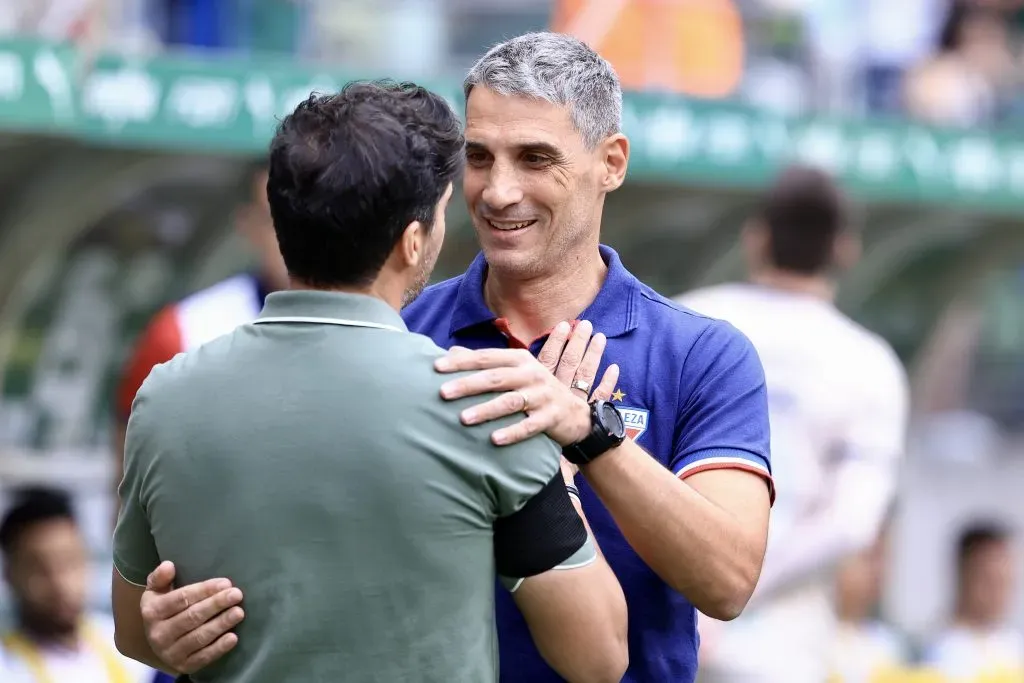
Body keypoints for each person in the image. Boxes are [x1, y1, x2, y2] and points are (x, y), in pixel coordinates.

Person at [131, 32, 773, 683]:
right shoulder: (398, 332)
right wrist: (164, 630)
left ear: (611, 162)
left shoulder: (701, 353)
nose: (497, 191)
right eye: (478, 156)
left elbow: (727, 583)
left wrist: (588, 434)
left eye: (534, 158)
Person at [110, 81, 628, 683]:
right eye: (439, 213)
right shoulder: (486, 409)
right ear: (413, 242)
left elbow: (134, 630)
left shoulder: (167, 397)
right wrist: (558, 469)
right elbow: (598, 657)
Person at [676, 165, 909, 683]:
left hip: (667, 622)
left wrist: (704, 584)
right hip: (782, 649)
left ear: (755, 238)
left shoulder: (690, 322)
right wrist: (744, 582)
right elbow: (853, 521)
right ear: (844, 249)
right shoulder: (869, 363)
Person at [113, 166, 287, 507]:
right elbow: (130, 476)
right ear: (248, 224)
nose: (293, 234)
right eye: (276, 218)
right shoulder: (186, 329)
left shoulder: (397, 324)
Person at [0, 487, 154, 683]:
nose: (60, 583)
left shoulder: (129, 648)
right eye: (39, 568)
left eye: (70, 561)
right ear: (9, 575)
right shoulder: (6, 669)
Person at [922, 522, 1023, 681]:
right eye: (991, 581)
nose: (1000, 594)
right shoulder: (941, 652)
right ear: (964, 576)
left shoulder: (1014, 644)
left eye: (1006, 582)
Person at [829, 515, 909, 683]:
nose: (878, 570)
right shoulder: (810, 638)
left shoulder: (889, 644)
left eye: (883, 557)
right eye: (869, 557)